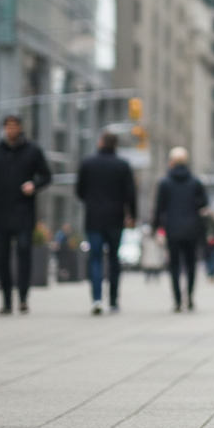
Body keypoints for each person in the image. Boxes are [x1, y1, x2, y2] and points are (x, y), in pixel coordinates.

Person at [0, 115, 52, 315]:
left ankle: (23, 297)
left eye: (15, 126)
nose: (12, 130)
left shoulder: (32, 150)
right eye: (8, 127)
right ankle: (7, 300)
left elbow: (47, 175)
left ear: (20, 128)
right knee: (2, 257)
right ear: (4, 129)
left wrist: (35, 185)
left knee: (24, 253)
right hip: (1, 212)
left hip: (24, 212)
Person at [76, 132, 136, 315]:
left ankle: (96, 299)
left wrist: (92, 202)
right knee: (113, 260)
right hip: (115, 219)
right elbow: (130, 194)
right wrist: (132, 215)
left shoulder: (88, 163)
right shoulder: (122, 166)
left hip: (94, 218)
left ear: (101, 142)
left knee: (95, 258)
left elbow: (79, 191)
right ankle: (114, 300)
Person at [154, 146, 207, 312]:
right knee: (191, 264)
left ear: (172, 162)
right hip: (192, 229)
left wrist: (156, 227)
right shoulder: (195, 182)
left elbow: (159, 208)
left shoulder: (165, 183)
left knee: (174, 265)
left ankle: (177, 300)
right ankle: (189, 297)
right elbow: (204, 203)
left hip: (173, 229)